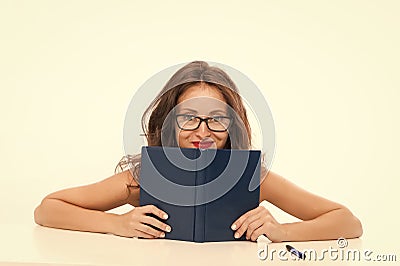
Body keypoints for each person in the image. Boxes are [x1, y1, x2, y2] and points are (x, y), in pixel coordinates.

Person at [34, 61, 363, 242]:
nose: (202, 131)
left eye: (217, 119)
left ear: (232, 125)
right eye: (189, 118)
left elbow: (347, 222)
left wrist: (282, 231)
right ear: (169, 121)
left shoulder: (252, 177)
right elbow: (48, 209)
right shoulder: (144, 175)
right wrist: (118, 224)